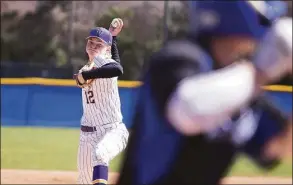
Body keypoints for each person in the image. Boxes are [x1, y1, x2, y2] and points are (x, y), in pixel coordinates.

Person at [117, 2, 292, 185]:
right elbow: (189, 109)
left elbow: (276, 146)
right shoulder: (179, 60)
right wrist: (261, 73)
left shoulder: (241, 85)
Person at [74, 18, 129, 185]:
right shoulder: (86, 68)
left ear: (107, 49)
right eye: (91, 42)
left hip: (111, 130)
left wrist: (113, 41)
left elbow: (117, 68)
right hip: (87, 135)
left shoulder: (103, 62)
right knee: (83, 179)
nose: (93, 46)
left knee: (101, 154)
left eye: (99, 44)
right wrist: (111, 37)